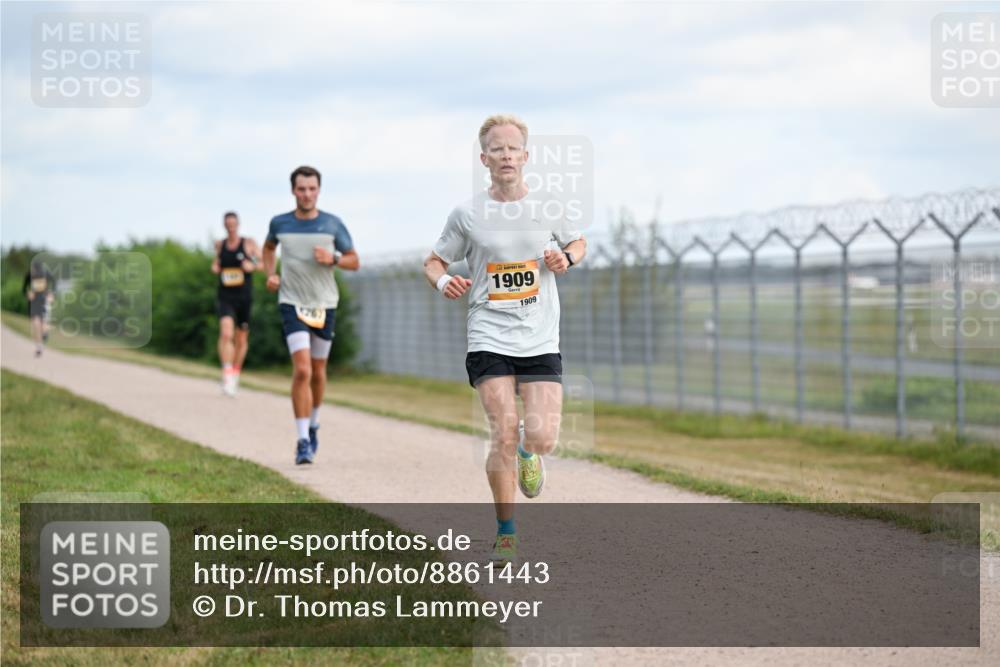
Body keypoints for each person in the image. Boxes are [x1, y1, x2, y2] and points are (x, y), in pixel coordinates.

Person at [423, 114, 587, 562]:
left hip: (539, 337)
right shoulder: (467, 213)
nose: (506, 155)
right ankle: (507, 530)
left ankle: (528, 454)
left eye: (514, 148)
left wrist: (565, 261)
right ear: (485, 158)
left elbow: (578, 243)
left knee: (543, 437)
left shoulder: (548, 206)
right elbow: (434, 261)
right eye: (497, 148)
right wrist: (443, 283)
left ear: (526, 156)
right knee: (503, 428)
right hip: (488, 334)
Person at [262, 166, 359, 464]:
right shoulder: (280, 222)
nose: (306, 194)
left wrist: (334, 258)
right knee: (302, 370)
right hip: (291, 301)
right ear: (293, 190)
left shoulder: (332, 224)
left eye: (312, 188)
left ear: (318, 190)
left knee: (318, 372)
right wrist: (270, 273)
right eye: (301, 189)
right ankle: (303, 440)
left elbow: (354, 261)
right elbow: (268, 248)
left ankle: (314, 423)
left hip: (324, 304)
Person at [211, 211, 260, 396]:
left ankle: (235, 372)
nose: (230, 227)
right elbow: (216, 263)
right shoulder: (220, 245)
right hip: (225, 296)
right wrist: (215, 267)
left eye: (233, 224)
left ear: (238, 224)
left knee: (241, 339)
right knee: (226, 334)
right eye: (227, 224)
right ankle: (227, 374)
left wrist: (252, 265)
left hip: (244, 297)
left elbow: (263, 262)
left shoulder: (248, 243)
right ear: (224, 225)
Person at [23, 261, 56, 357]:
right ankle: (39, 347)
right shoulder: (29, 275)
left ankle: (45, 334)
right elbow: (24, 289)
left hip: (44, 302)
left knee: (43, 326)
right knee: (36, 324)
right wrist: (27, 294)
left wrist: (52, 294)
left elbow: (54, 283)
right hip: (33, 303)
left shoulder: (45, 273)